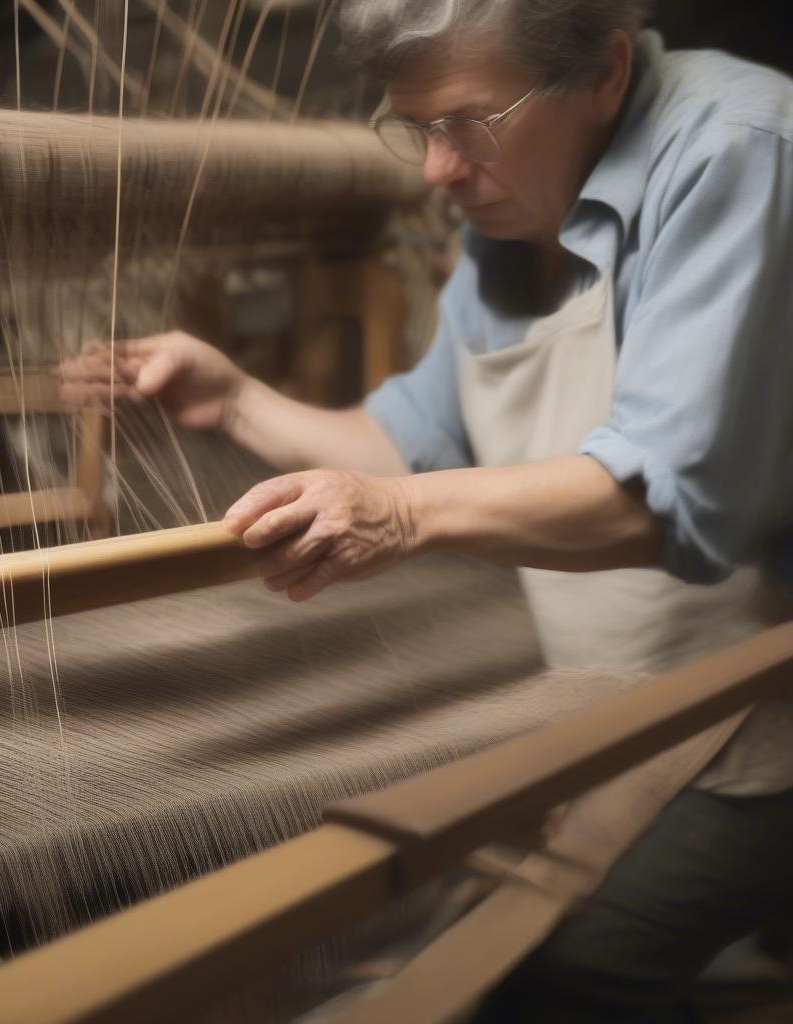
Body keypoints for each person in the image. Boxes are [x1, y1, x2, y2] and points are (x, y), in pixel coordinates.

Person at [59, 1, 793, 1019]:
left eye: (467, 124)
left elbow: (664, 505)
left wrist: (399, 517)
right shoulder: (510, 215)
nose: (434, 171)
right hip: (612, 705)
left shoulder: (737, 151)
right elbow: (410, 448)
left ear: (606, 73)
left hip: (760, 708)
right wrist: (232, 398)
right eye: (415, 130)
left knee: (558, 974)